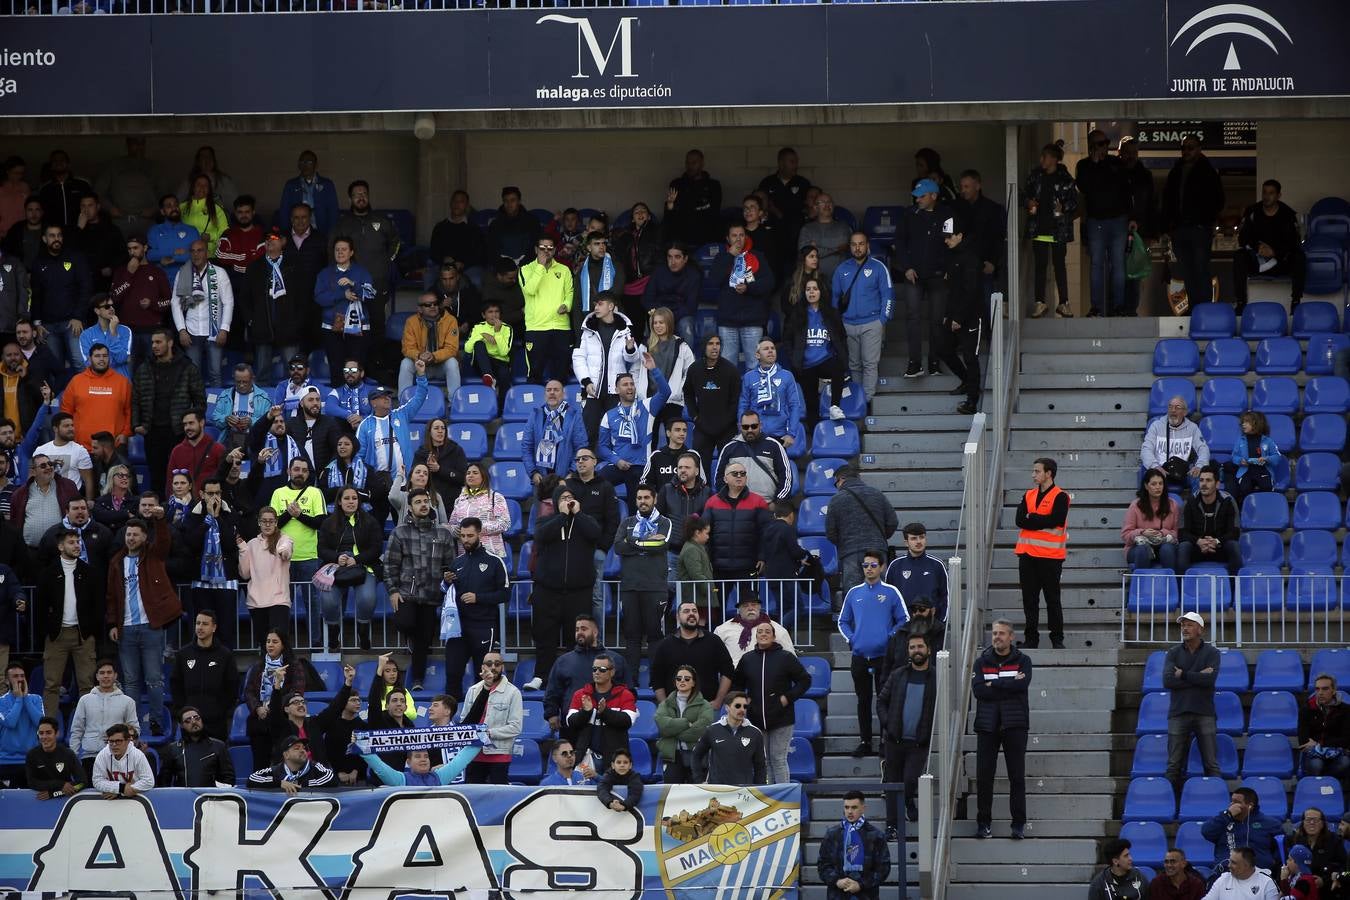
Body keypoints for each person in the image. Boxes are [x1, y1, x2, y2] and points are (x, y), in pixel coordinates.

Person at [107, 512, 180, 737]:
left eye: (135, 535)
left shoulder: (153, 556)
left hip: (151, 626)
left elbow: (165, 541)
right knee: (130, 682)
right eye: (128, 534)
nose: (131, 538)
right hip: (126, 628)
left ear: (144, 537)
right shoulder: (116, 562)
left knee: (154, 679)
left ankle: (156, 721)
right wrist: (112, 623)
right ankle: (133, 726)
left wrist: (159, 520)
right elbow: (111, 596)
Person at [385, 487, 457, 690]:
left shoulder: (443, 534)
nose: (424, 504)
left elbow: (449, 565)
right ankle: (410, 638)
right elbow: (390, 566)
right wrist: (393, 591)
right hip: (408, 594)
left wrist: (448, 576)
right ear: (409, 507)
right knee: (407, 624)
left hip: (432, 595)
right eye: (418, 502)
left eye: (426, 501)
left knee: (423, 640)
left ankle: (417, 680)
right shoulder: (399, 533)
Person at [531, 485, 603, 689]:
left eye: (571, 497)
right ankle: (541, 676)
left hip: (578, 591)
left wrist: (577, 514)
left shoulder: (585, 521)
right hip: (548, 590)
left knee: (578, 637)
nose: (567, 500)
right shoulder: (546, 521)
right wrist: (561, 516)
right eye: (562, 498)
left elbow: (595, 533)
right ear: (555, 502)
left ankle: (577, 677)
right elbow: (541, 536)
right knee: (545, 636)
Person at [840, 549, 909, 757]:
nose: (869, 569)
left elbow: (904, 619)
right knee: (863, 700)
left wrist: (890, 636)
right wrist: (852, 638)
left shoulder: (891, 592)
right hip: (860, 657)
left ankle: (885, 742)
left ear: (882, 567)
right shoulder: (854, 593)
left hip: (884, 658)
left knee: (883, 700)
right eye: (865, 565)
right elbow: (843, 621)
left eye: (873, 565)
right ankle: (865, 741)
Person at [971, 619, 1032, 840]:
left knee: (1017, 777)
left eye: (1001, 633)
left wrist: (993, 683)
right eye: (994, 633)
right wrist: (1007, 684)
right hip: (987, 727)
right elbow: (978, 691)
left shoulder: (1023, 660)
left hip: (1015, 725)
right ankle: (983, 823)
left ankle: (1018, 825)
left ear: (1011, 636)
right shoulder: (981, 662)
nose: (997, 637)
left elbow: (1021, 686)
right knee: (984, 777)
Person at [132, 326, 207, 497]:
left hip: (178, 432)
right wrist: (137, 424)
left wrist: (191, 425)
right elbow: (135, 398)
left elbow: (199, 400)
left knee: (180, 476)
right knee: (156, 477)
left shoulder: (187, 367)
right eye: (152, 342)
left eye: (158, 342)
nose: (154, 346)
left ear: (170, 343)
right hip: (152, 432)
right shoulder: (144, 368)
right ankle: (158, 515)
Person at [35, 527, 102, 715]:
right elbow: (39, 608)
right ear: (60, 546)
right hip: (57, 636)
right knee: (51, 684)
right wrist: (46, 632)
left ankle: (89, 725)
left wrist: (92, 632)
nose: (76, 545)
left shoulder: (90, 573)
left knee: (87, 685)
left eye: (77, 541)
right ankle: (49, 726)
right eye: (71, 542)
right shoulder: (48, 574)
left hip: (84, 635)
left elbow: (98, 607)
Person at [894, 179, 957, 378]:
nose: (917, 199)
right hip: (914, 274)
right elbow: (899, 242)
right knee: (913, 317)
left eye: (922, 196)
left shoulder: (947, 214)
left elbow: (951, 244)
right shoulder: (909, 214)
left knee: (937, 320)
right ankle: (914, 364)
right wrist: (906, 267)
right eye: (916, 196)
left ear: (934, 196)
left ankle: (935, 363)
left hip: (938, 275)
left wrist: (948, 268)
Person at [733, 621, 809, 784]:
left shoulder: (786, 657)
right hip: (756, 717)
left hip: (782, 718)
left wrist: (787, 698)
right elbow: (736, 684)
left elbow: (805, 680)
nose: (763, 634)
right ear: (756, 636)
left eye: (767, 631)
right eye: (760, 631)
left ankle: (783, 801)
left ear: (774, 636)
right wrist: (745, 701)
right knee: (764, 761)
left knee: (778, 759)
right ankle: (769, 800)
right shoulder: (747, 659)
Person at [354, 362, 429, 526]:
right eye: (382, 397)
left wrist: (421, 375)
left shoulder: (400, 414)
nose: (388, 398)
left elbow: (420, 396)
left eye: (388, 396)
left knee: (404, 524)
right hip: (379, 484)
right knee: (376, 525)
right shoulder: (365, 425)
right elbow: (359, 457)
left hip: (403, 484)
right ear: (373, 402)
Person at [878, 633, 936, 832]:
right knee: (892, 785)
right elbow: (881, 701)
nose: (916, 650)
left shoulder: (937, 677)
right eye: (912, 647)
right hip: (894, 741)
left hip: (919, 743)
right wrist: (888, 724)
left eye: (920, 646)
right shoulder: (898, 674)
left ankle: (909, 799)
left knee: (910, 780)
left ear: (928, 650)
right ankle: (891, 826)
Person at [613, 483, 673, 675]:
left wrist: (633, 542)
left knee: (655, 635)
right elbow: (617, 547)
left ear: (654, 499)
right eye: (639, 498)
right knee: (632, 636)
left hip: (655, 587)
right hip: (630, 587)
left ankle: (657, 680)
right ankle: (632, 680)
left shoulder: (665, 522)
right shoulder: (627, 522)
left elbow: (661, 544)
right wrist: (647, 542)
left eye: (646, 498)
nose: (642, 501)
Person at [315, 486, 383, 652]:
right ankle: (333, 634)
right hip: (335, 566)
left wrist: (357, 559)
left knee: (367, 598)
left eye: (354, 498)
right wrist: (336, 557)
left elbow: (376, 548)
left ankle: (363, 632)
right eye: (347, 498)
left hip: (363, 565)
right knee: (328, 601)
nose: (351, 502)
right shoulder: (328, 522)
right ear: (339, 501)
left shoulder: (370, 521)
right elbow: (321, 549)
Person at [443, 517, 510, 686]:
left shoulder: (495, 561)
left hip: (484, 625)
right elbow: (446, 593)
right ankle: (451, 710)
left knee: (484, 677)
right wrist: (446, 582)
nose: (465, 540)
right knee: (452, 674)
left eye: (470, 535)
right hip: (458, 629)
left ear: (479, 534)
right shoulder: (457, 562)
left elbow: (505, 594)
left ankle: (484, 712)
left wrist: (478, 598)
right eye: (463, 536)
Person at [1162, 137, 1225, 313]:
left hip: (1199, 228)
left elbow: (1218, 200)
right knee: (1187, 270)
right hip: (1180, 228)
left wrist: (1204, 220)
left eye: (1190, 148)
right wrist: (1169, 225)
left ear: (1199, 149)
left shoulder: (1207, 171)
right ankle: (1194, 307)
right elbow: (1167, 200)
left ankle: (1203, 308)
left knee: (1200, 267)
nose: (1186, 151)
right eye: (1183, 148)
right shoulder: (1176, 171)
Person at [1075, 129, 1134, 317]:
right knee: (1096, 265)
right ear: (1091, 146)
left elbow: (1126, 190)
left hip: (1118, 220)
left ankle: (1118, 306)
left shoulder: (1116, 163)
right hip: (1096, 221)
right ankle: (1096, 307)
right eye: (1100, 144)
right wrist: (1094, 164)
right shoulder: (1083, 165)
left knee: (1118, 264)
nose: (1104, 147)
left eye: (1106, 142)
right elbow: (1084, 187)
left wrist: (1132, 218)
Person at [542, 614, 629, 734]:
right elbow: (553, 691)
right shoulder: (563, 661)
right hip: (573, 725)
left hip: (607, 726)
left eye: (584, 629)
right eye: (577, 629)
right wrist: (552, 714)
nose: (579, 632)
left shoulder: (616, 660)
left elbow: (628, 691)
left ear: (595, 632)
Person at [1014, 457, 1068, 650]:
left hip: (1050, 557)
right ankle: (1031, 639)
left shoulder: (1060, 496)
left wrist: (1034, 518)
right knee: (1030, 599)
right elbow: (1020, 520)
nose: (1033, 475)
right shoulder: (1028, 495)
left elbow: (1058, 519)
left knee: (1052, 599)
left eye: (1037, 471)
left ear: (1049, 474)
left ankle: (1057, 639)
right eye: (1033, 471)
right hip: (1027, 555)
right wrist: (1042, 519)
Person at [827, 463, 899, 598]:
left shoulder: (836, 500)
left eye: (835, 483)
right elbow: (893, 522)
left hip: (850, 554)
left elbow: (830, 532)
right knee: (881, 594)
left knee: (854, 596)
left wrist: (844, 543)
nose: (836, 487)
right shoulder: (877, 494)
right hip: (877, 550)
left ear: (841, 479)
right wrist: (880, 537)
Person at [1023, 142, 1077, 319]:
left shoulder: (1065, 179)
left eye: (1044, 157)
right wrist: (1029, 203)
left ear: (1054, 159)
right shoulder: (1035, 176)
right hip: (1039, 227)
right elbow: (1025, 195)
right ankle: (1040, 302)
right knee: (1040, 266)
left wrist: (1064, 207)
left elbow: (1074, 202)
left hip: (1058, 229)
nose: (1041, 160)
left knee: (1059, 265)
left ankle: (1064, 303)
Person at [711, 225, 776, 370]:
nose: (738, 239)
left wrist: (749, 288)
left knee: (755, 365)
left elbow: (769, 282)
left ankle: (752, 393)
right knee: (727, 366)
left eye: (741, 235)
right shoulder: (721, 257)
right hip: (727, 320)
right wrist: (730, 256)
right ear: (728, 239)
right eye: (734, 236)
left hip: (752, 319)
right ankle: (731, 394)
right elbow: (714, 280)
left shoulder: (757, 256)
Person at [170, 240, 233, 387]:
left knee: (215, 373)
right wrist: (181, 330)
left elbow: (228, 302)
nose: (196, 254)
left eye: (200, 250)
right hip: (191, 331)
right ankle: (196, 409)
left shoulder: (219, 273)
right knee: (193, 374)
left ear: (207, 253)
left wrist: (224, 329)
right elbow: (175, 303)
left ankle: (216, 409)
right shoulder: (184, 272)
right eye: (193, 251)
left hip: (214, 330)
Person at [1234, 179, 1304, 313]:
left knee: (1299, 256)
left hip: (1280, 262)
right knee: (1239, 256)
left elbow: (1293, 242)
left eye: (1271, 193)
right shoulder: (1252, 211)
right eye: (1264, 192)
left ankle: (1296, 302)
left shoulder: (1287, 214)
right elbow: (1243, 238)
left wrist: (1275, 252)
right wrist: (1258, 248)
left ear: (1278, 195)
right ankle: (1241, 302)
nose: (1267, 196)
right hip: (1257, 260)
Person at [244, 228, 304, 382]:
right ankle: (262, 405)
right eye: (267, 238)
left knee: (294, 373)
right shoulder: (254, 267)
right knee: (262, 374)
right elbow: (245, 298)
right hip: (262, 327)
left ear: (283, 242)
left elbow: (303, 297)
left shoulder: (295, 265)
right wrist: (252, 320)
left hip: (289, 327)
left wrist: (298, 321)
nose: (270, 240)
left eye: (274, 237)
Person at [315, 238, 377, 387]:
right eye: (337, 249)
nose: (340, 252)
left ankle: (356, 404)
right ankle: (337, 405)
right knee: (336, 368)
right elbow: (319, 298)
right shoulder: (325, 274)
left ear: (351, 252)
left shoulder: (361, 272)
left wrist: (353, 284)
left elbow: (371, 295)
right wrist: (342, 295)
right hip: (332, 328)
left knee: (356, 367)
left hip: (358, 328)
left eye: (344, 249)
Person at [241, 630, 306, 769]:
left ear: (283, 645)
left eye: (275, 642)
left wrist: (275, 707)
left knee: (283, 765)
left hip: (283, 722)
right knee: (260, 766)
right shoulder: (259, 667)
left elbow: (296, 692)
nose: (270, 645)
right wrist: (257, 708)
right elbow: (249, 691)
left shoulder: (294, 666)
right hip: (260, 721)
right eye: (268, 641)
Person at [565, 650, 637, 775]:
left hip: (615, 761)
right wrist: (585, 712)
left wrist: (605, 712)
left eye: (602, 669)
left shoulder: (625, 694)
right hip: (587, 758)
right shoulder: (581, 694)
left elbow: (628, 720)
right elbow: (570, 722)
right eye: (594, 669)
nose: (597, 672)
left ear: (612, 672)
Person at [651, 599, 734, 706]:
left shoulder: (713, 641)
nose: (691, 614)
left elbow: (727, 671)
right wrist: (664, 705)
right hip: (675, 710)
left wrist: (719, 700)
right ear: (678, 617)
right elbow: (657, 678)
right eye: (686, 611)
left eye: (694, 611)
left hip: (706, 708)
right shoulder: (665, 645)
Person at [68, 659, 138, 782]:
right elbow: (77, 730)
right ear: (97, 676)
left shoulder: (128, 701)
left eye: (109, 672)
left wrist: (118, 738)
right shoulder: (85, 700)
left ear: (115, 675)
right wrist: (73, 756)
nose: (106, 676)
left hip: (117, 757)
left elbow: (134, 730)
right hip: (89, 757)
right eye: (102, 673)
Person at [458, 650, 522, 785]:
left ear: (502, 667)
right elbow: (464, 722)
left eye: (497, 664)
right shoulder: (473, 690)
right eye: (489, 663)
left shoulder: (513, 692)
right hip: (473, 753)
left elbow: (515, 727)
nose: (493, 667)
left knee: (499, 797)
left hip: (499, 754)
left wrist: (488, 734)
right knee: (472, 796)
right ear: (482, 667)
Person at [519, 235, 574, 385]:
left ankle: (561, 408)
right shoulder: (525, 270)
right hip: (536, 327)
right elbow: (530, 290)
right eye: (542, 248)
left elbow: (569, 292)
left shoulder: (564, 270)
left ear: (555, 250)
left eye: (550, 248)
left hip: (561, 327)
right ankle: (534, 407)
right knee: (535, 373)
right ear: (536, 249)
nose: (546, 251)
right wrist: (540, 267)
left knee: (561, 374)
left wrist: (567, 305)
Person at [686, 334, 741, 480]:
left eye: (717, 343)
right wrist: (695, 417)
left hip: (726, 428)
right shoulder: (694, 369)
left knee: (729, 468)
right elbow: (688, 394)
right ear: (704, 346)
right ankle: (704, 498)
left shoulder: (731, 370)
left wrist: (726, 421)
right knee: (700, 469)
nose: (715, 347)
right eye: (710, 343)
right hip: (702, 426)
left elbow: (736, 400)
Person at [817, 791, 890, 900]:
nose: (849, 811)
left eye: (854, 807)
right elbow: (823, 865)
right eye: (846, 807)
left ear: (863, 808)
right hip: (837, 895)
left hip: (867, 896)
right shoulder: (832, 834)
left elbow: (883, 869)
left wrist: (861, 884)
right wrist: (837, 881)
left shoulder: (876, 836)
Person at [237, 505, 293, 640]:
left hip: (279, 601)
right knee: (263, 644)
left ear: (276, 522)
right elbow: (245, 574)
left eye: (271, 521)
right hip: (256, 602)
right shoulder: (251, 544)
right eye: (264, 521)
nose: (267, 524)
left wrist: (283, 551)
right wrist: (243, 550)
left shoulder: (283, 539)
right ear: (259, 522)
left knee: (279, 643)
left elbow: (286, 550)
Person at [653, 663, 714, 784]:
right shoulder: (665, 704)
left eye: (687, 679)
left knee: (696, 795)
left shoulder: (705, 705)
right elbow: (662, 727)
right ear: (675, 681)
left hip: (696, 756)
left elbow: (701, 730)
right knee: (672, 795)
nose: (682, 681)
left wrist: (674, 732)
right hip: (672, 756)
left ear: (693, 682)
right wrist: (686, 723)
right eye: (678, 678)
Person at [1202, 791, 1284, 879]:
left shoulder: (1270, 824)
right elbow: (1206, 832)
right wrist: (1227, 815)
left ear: (1250, 806)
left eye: (1236, 802)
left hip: (1259, 876)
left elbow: (1280, 853)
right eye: (1231, 801)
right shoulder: (1223, 821)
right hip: (1226, 875)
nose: (1231, 805)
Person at [691, 690, 766, 786]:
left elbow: (760, 766)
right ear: (727, 708)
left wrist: (759, 790)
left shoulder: (755, 733)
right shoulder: (712, 730)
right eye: (738, 706)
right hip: (718, 791)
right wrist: (699, 781)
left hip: (744, 792)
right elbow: (696, 755)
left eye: (745, 706)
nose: (742, 709)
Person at [1177, 465, 1241, 574]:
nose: (1204, 484)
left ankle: (1234, 589)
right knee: (1183, 547)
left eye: (1208, 480)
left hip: (1220, 546)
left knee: (1233, 546)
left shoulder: (1228, 501)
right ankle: (1181, 589)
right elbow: (1182, 533)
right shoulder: (1190, 502)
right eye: (1201, 480)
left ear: (1217, 484)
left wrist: (1216, 541)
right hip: (1197, 547)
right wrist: (1199, 541)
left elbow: (1235, 532)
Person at [522, 379, 587, 486]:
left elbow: (581, 448)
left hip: (566, 479)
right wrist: (533, 472)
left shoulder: (574, 415)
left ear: (563, 394)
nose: (552, 393)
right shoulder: (535, 415)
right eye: (548, 390)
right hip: (541, 480)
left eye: (556, 390)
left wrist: (572, 473)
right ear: (545, 395)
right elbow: (526, 447)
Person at [1143, 395, 1209, 495]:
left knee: (1200, 478)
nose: (1173, 410)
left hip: (1184, 472)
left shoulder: (1192, 428)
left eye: (1177, 407)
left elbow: (1203, 449)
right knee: (1149, 477)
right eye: (1170, 407)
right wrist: (1155, 466)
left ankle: (1195, 507)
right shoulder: (1156, 426)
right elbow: (1146, 449)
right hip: (1161, 470)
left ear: (1185, 412)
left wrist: (1199, 466)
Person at [400, 291, 460, 400]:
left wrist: (434, 356)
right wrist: (419, 355)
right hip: (420, 366)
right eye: (428, 305)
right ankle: (404, 403)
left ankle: (455, 402)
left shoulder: (450, 320)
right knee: (405, 363)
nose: (433, 307)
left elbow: (452, 349)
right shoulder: (411, 322)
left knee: (452, 362)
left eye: (435, 303)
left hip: (441, 365)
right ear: (419, 309)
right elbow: (407, 348)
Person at [884, 523, 949, 622]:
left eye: (921, 537)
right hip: (903, 628)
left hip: (931, 628)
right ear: (906, 542)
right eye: (914, 538)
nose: (919, 541)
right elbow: (888, 599)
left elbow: (946, 597)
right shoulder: (895, 566)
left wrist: (940, 624)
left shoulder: (937, 565)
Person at [158, 704, 234, 788]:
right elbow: (164, 781)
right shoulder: (173, 749)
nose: (194, 722)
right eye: (188, 720)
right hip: (183, 797)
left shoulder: (218, 746)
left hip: (212, 797)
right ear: (181, 725)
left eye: (197, 718)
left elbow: (228, 778)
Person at [643, 243, 701, 349]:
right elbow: (647, 299)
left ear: (685, 259)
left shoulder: (693, 275)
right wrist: (661, 315)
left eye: (677, 257)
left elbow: (690, 307)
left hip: (680, 315)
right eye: (670, 257)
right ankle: (653, 361)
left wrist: (669, 317)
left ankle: (687, 363)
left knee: (686, 325)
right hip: (660, 313)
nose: (672, 261)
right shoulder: (658, 272)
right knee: (653, 322)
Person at [448, 462, 512, 559]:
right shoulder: (459, 500)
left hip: (490, 552)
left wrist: (477, 528)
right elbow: (452, 524)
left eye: (475, 472)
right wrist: (455, 530)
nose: (470, 475)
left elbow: (505, 524)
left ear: (483, 476)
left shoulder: (496, 497)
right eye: (468, 473)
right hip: (465, 554)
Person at [1123, 468, 1180, 571]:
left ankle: (1170, 585)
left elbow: (1176, 533)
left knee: (1167, 549)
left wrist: (1162, 533)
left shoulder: (1173, 505)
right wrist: (1142, 532)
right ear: (1146, 486)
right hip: (1139, 546)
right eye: (1153, 484)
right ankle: (1142, 586)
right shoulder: (1135, 505)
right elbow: (1125, 535)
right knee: (1142, 550)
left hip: (1163, 544)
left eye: (1160, 483)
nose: (1158, 487)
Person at [665, 149, 722, 247]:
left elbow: (714, 211)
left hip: (706, 236)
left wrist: (690, 208)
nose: (690, 166)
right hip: (681, 237)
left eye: (694, 162)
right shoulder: (677, 184)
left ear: (702, 163)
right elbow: (670, 213)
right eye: (688, 162)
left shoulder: (713, 185)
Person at [1299, 675, 1350, 781]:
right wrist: (1325, 744)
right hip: (1313, 753)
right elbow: (1303, 739)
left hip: (1337, 752)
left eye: (1325, 689)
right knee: (1316, 765)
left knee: (1345, 762)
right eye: (1317, 689)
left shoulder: (1346, 710)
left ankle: (1326, 783)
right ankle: (1321, 788)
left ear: (1334, 690)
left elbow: (1346, 740)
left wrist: (1320, 743)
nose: (1320, 692)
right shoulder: (1306, 709)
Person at [0, 662, 44, 787]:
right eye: (15, 676)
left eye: (22, 676)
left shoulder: (36, 699)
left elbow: (40, 723)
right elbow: (10, 722)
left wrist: (25, 698)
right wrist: (19, 699)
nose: (20, 679)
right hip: (6, 761)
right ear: (7, 681)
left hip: (31, 760)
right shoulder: (1, 702)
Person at [211, 364, 272, 453]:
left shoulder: (263, 398)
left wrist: (252, 422)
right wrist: (226, 419)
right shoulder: (225, 396)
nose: (241, 385)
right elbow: (215, 418)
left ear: (252, 379)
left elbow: (269, 424)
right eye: (238, 382)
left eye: (245, 382)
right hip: (230, 443)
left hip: (255, 444)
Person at [1224, 411, 1281, 504]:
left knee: (1267, 488)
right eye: (1242, 422)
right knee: (1244, 488)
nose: (1243, 425)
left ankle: (1265, 511)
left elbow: (1277, 457)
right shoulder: (1240, 440)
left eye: (1247, 422)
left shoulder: (1268, 440)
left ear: (1255, 423)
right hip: (1246, 471)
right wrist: (1240, 461)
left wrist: (1266, 459)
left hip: (1263, 471)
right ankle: (1245, 512)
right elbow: (1234, 456)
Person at [35, 412, 96, 500]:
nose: (71, 428)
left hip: (71, 501)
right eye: (66, 426)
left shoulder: (80, 451)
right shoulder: (41, 450)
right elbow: (33, 477)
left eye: (72, 425)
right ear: (55, 429)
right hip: (45, 499)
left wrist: (89, 501)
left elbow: (88, 480)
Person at [361, 746, 481, 789]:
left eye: (426, 756)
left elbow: (461, 760)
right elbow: (380, 767)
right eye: (418, 756)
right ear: (409, 762)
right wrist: (362, 748)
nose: (423, 759)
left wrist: (479, 740)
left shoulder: (439, 777)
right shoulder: (401, 780)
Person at [247, 735, 335, 793]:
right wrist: (280, 783)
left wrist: (304, 785)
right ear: (286, 755)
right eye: (297, 748)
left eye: (304, 748)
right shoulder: (276, 770)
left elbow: (331, 778)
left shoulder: (314, 766)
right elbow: (252, 778)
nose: (303, 750)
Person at [277, 151, 338, 235]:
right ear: (298, 165)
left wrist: (332, 235)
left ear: (316, 165)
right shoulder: (291, 185)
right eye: (302, 162)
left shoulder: (327, 184)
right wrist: (285, 234)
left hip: (321, 232)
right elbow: (284, 211)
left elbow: (333, 212)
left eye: (309, 162)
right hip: (297, 232)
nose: (305, 165)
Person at [464, 300, 513, 403]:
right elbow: (467, 349)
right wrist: (482, 335)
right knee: (478, 344)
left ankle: (502, 407)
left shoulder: (507, 328)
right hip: (482, 364)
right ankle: (488, 377)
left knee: (505, 374)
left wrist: (497, 332)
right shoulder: (478, 327)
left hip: (500, 362)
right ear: (483, 315)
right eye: (490, 312)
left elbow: (504, 352)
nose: (494, 315)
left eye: (496, 311)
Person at [27, 715, 84, 799]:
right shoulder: (32, 755)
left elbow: (82, 783)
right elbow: (32, 782)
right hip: (39, 802)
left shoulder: (68, 754)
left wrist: (54, 793)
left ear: (57, 734)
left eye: (48, 733)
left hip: (63, 801)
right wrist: (60, 784)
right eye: (41, 733)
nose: (44, 737)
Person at [1291, 806, 1347, 892]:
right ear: (1303, 823)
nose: (1312, 822)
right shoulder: (1295, 840)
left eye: (1316, 820)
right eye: (1308, 819)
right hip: (1300, 887)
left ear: (1322, 824)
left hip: (1328, 888)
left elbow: (1342, 867)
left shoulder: (1334, 841)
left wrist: (1324, 880)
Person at [92, 722, 154, 798]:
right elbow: (97, 781)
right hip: (110, 801)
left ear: (128, 741)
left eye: (118, 741)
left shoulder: (137, 755)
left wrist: (121, 792)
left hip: (135, 801)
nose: (114, 745)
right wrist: (121, 788)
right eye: (111, 741)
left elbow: (149, 781)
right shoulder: (102, 755)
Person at [642, 419, 696, 495]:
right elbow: (644, 482)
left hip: (687, 503)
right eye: (677, 430)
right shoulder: (656, 456)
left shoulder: (693, 455)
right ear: (668, 433)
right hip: (662, 504)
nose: (682, 433)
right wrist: (655, 497)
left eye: (684, 430)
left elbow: (702, 482)